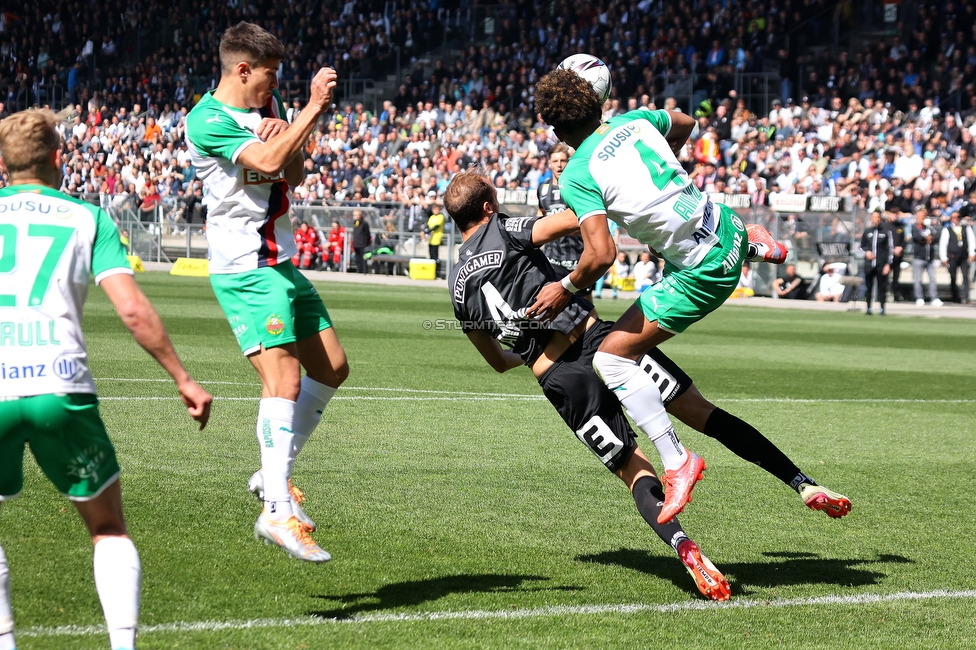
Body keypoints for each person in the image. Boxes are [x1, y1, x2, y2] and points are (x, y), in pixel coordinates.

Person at [444, 171, 849, 601]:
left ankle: (687, 549)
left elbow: (497, 362)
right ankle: (802, 483)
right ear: (488, 208)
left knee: (633, 468)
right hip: (605, 344)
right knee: (704, 414)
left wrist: (529, 353)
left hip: (557, 378)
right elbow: (573, 218)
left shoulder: (455, 287)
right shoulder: (503, 228)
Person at [529, 68, 787, 523]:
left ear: (556, 129)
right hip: (724, 223)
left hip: (703, 271)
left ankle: (676, 461)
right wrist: (666, 179)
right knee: (692, 238)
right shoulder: (636, 120)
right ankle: (752, 241)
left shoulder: (577, 173)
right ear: (598, 102)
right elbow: (687, 122)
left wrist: (564, 289)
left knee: (611, 359)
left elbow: (601, 256)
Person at [0, 109, 213, 650]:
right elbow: (134, 311)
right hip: (60, 384)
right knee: (108, 528)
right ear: (57, 159)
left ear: (3, 164)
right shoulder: (86, 217)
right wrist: (183, 378)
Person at [185, 22, 348, 562]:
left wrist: (289, 129)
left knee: (331, 368)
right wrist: (311, 111)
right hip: (244, 267)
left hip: (280, 262)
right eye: (269, 75)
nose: (273, 85)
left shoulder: (268, 102)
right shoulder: (206, 119)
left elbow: (291, 174)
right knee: (285, 379)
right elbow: (267, 162)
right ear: (242, 70)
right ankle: (277, 509)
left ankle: (270, 475)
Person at [538, 143, 588, 296]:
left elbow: (586, 223)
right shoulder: (543, 189)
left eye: (563, 161)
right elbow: (540, 213)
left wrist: (559, 228)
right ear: (549, 163)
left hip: (578, 261)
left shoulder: (577, 187)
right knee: (552, 308)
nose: (559, 165)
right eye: (555, 161)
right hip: (553, 260)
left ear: (568, 162)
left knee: (586, 308)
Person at [860, 209, 893, 315]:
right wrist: (866, 252)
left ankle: (882, 308)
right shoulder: (867, 231)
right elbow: (861, 246)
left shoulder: (886, 232)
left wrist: (888, 264)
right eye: (874, 217)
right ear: (871, 218)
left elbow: (890, 249)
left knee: (882, 287)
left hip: (881, 264)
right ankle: (868, 308)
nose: (876, 219)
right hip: (869, 264)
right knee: (868, 287)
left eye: (878, 217)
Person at [939, 211, 975, 304]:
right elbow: (943, 244)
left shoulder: (965, 228)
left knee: (965, 276)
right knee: (953, 277)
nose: (956, 219)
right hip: (953, 256)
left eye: (957, 217)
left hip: (963, 256)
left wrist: (972, 253)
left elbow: (971, 240)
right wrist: (943, 258)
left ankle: (965, 297)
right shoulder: (947, 229)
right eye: (953, 217)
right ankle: (954, 296)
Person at [911, 207, 943, 306]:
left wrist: (929, 239)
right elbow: (917, 238)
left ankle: (934, 297)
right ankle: (919, 297)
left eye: (923, 216)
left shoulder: (928, 227)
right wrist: (926, 238)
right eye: (920, 216)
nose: (922, 218)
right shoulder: (914, 227)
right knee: (918, 279)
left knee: (933, 278)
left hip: (929, 258)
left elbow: (936, 236)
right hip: (919, 257)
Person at [886, 210, 907, 301]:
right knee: (885, 275)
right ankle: (884, 294)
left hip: (898, 256)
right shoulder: (886, 226)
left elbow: (904, 240)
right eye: (893, 214)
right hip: (888, 256)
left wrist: (901, 248)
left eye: (896, 215)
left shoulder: (900, 226)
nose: (894, 216)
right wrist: (892, 249)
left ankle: (896, 295)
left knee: (896, 277)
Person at [425, 200, 445, 271]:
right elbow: (428, 225)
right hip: (430, 239)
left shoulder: (441, 217)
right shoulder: (432, 217)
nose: (435, 210)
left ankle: (437, 271)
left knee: (435, 255)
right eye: (434, 209)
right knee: (431, 255)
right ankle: (432, 271)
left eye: (437, 209)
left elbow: (436, 226)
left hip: (436, 238)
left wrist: (429, 231)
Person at [352, 209, 371, 274]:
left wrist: (366, 243)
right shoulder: (355, 222)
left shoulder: (364, 223)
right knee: (357, 259)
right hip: (356, 243)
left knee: (363, 259)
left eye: (357, 215)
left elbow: (367, 234)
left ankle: (364, 271)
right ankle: (359, 271)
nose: (356, 216)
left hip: (362, 244)